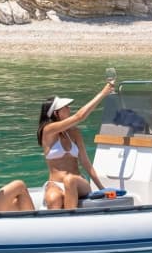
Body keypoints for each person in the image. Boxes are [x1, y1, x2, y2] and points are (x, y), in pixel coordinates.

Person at [37, 80, 116, 209]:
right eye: (65, 107)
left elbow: (85, 162)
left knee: (70, 179)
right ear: (56, 113)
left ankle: (70, 220)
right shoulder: (48, 130)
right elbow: (79, 116)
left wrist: (101, 187)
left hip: (77, 182)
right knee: (53, 199)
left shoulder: (74, 132)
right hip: (55, 183)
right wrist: (103, 93)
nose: (69, 109)